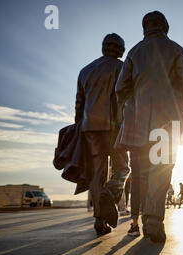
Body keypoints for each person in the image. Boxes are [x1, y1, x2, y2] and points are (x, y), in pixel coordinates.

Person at [115, 11, 183, 243]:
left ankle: (139, 219)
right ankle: (154, 219)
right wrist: (181, 105)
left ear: (144, 28)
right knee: (162, 169)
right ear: (165, 27)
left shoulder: (134, 52)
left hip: (138, 122)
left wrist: (132, 107)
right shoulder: (177, 50)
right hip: (168, 120)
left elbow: (121, 88)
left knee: (141, 174)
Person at [74, 33, 129, 236]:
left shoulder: (85, 71)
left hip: (89, 128)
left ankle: (99, 220)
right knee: (122, 167)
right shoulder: (123, 67)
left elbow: (79, 105)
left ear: (103, 47)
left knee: (97, 173)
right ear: (121, 50)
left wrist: (79, 127)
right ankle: (110, 193)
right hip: (114, 126)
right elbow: (126, 98)